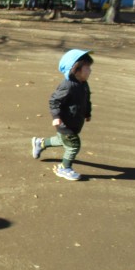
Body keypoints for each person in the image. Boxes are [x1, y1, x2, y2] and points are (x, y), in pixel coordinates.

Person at [31, 49, 93, 181]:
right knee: (73, 145)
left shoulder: (84, 84)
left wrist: (88, 113)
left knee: (62, 140)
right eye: (87, 67)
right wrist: (56, 117)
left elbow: (86, 100)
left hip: (75, 120)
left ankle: (40, 143)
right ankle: (64, 168)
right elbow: (54, 101)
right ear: (76, 69)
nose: (90, 70)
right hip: (65, 122)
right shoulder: (67, 86)